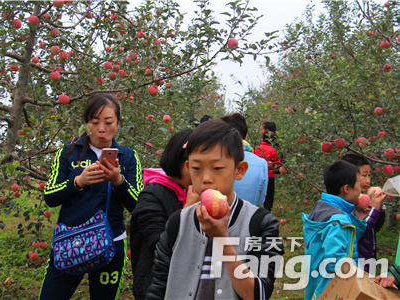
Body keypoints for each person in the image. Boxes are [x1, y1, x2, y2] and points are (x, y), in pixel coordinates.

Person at [146, 119, 284, 300]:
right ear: (188, 168)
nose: (206, 178)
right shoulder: (177, 222)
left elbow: (259, 294)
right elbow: (158, 288)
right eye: (197, 168)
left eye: (217, 168)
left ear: (239, 170)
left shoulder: (261, 224)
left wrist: (222, 240)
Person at [40, 93, 143, 300]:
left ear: (118, 123)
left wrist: (118, 182)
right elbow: (50, 197)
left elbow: (138, 205)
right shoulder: (68, 153)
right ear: (85, 123)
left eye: (108, 122)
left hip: (111, 243)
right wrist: (78, 182)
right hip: (71, 241)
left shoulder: (128, 157)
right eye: (94, 122)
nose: (102, 129)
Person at [130, 129, 195, 300]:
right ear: (180, 163)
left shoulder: (196, 192)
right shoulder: (151, 196)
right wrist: (188, 211)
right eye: (196, 167)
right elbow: (160, 244)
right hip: (157, 287)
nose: (203, 175)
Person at [302, 160, 367, 300]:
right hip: (331, 289)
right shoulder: (337, 221)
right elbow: (334, 259)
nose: (361, 191)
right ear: (347, 189)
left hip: (317, 284)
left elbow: (347, 240)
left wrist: (358, 220)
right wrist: (358, 275)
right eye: (359, 186)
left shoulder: (324, 209)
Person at [341, 154, 386, 274]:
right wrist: (374, 210)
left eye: (369, 175)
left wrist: (379, 210)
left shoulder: (363, 200)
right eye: (364, 175)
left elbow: (374, 228)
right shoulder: (350, 204)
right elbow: (360, 232)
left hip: (367, 260)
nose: (368, 180)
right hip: (356, 265)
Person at [221, 113, 268, 207]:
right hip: (251, 217)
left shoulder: (216, 160)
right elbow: (261, 200)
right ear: (245, 137)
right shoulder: (261, 163)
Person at [255, 130, 281, 211]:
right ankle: (267, 213)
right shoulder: (272, 151)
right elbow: (278, 164)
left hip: (257, 175)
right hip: (269, 176)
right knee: (269, 196)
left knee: (257, 194)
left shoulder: (256, 149)